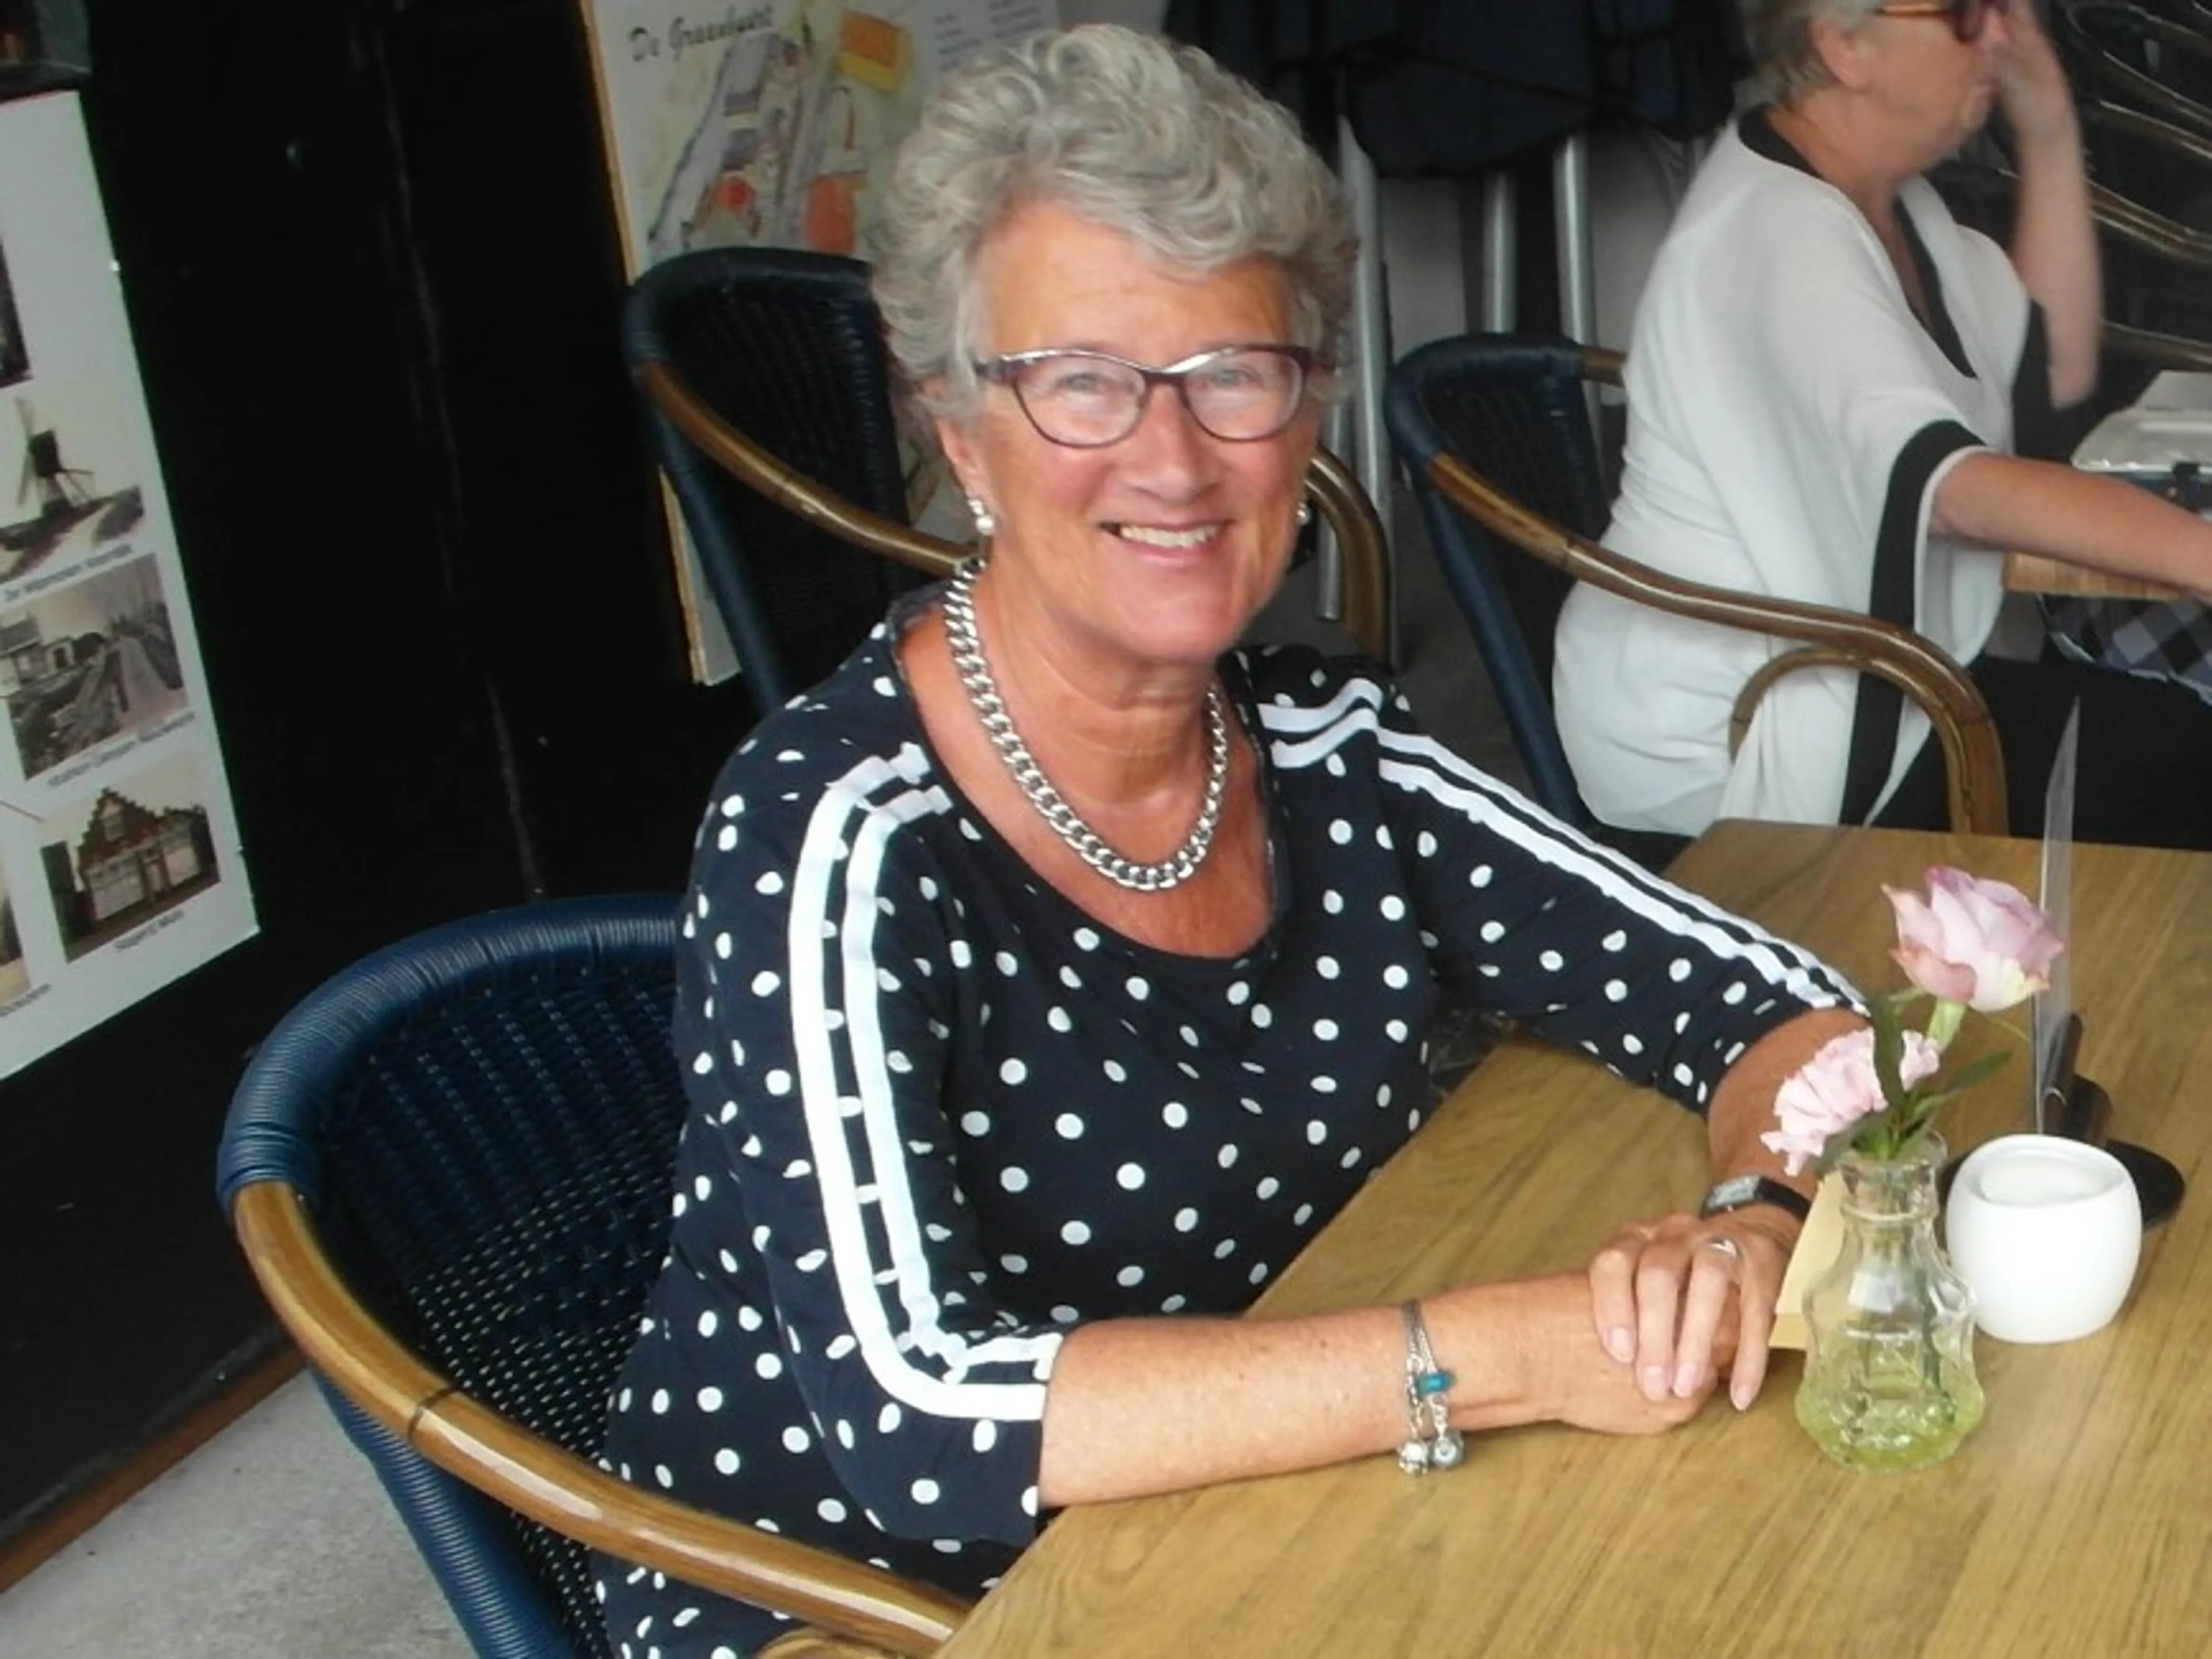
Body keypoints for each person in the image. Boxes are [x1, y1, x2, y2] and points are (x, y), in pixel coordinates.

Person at [595, 25, 1862, 1657]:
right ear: (961, 433)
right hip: (850, 1586)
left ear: (1308, 408)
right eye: (1082, 381)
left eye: (1234, 374)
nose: (1175, 458)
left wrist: (1754, 1223)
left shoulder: (1333, 752)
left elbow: (1778, 1002)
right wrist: (1502, 1353)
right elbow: (920, 1418)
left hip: (1252, 1500)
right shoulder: (837, 827)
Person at [1554, 0, 2212, 848]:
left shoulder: (1897, 206)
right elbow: (1959, 494)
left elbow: (2054, 366)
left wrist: (2048, 132)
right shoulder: (1780, 231)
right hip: (1740, 732)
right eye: (1964, 12)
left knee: (2174, 747)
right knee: (2179, 766)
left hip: (1860, 673)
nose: (2003, 34)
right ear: (1844, 46)